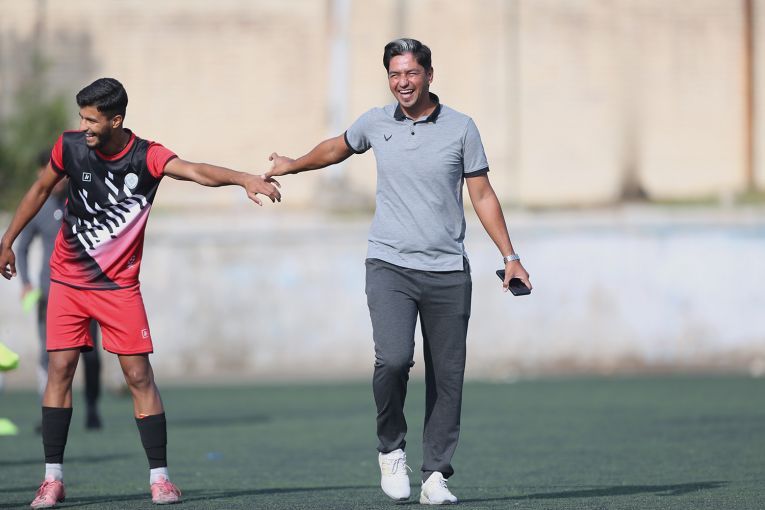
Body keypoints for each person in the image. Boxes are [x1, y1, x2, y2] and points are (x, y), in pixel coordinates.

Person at [266, 38, 532, 505]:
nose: (402, 83)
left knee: (447, 376)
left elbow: (482, 194)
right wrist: (292, 165)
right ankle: (390, 449)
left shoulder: (461, 128)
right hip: (390, 265)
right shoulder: (376, 122)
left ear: (429, 75)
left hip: (448, 271)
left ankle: (435, 476)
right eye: (394, 74)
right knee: (392, 360)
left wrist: (509, 256)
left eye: (410, 73)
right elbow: (336, 148)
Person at [0, 77, 282, 508]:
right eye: (81, 117)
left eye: (91, 120)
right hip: (68, 281)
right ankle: (52, 479)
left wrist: (242, 178)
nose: (83, 126)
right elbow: (39, 190)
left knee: (138, 376)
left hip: (118, 288)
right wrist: (7, 240)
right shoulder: (69, 147)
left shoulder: (146, 156)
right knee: (60, 370)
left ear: (116, 120)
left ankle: (161, 478)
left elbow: (196, 171)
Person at [16, 150, 103, 432]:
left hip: (86, 290)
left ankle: (92, 408)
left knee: (90, 355)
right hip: (50, 293)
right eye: (47, 174)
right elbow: (22, 246)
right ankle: (48, 413)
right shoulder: (38, 207)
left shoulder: (82, 200)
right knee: (48, 354)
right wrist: (26, 282)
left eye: (58, 174)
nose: (54, 180)